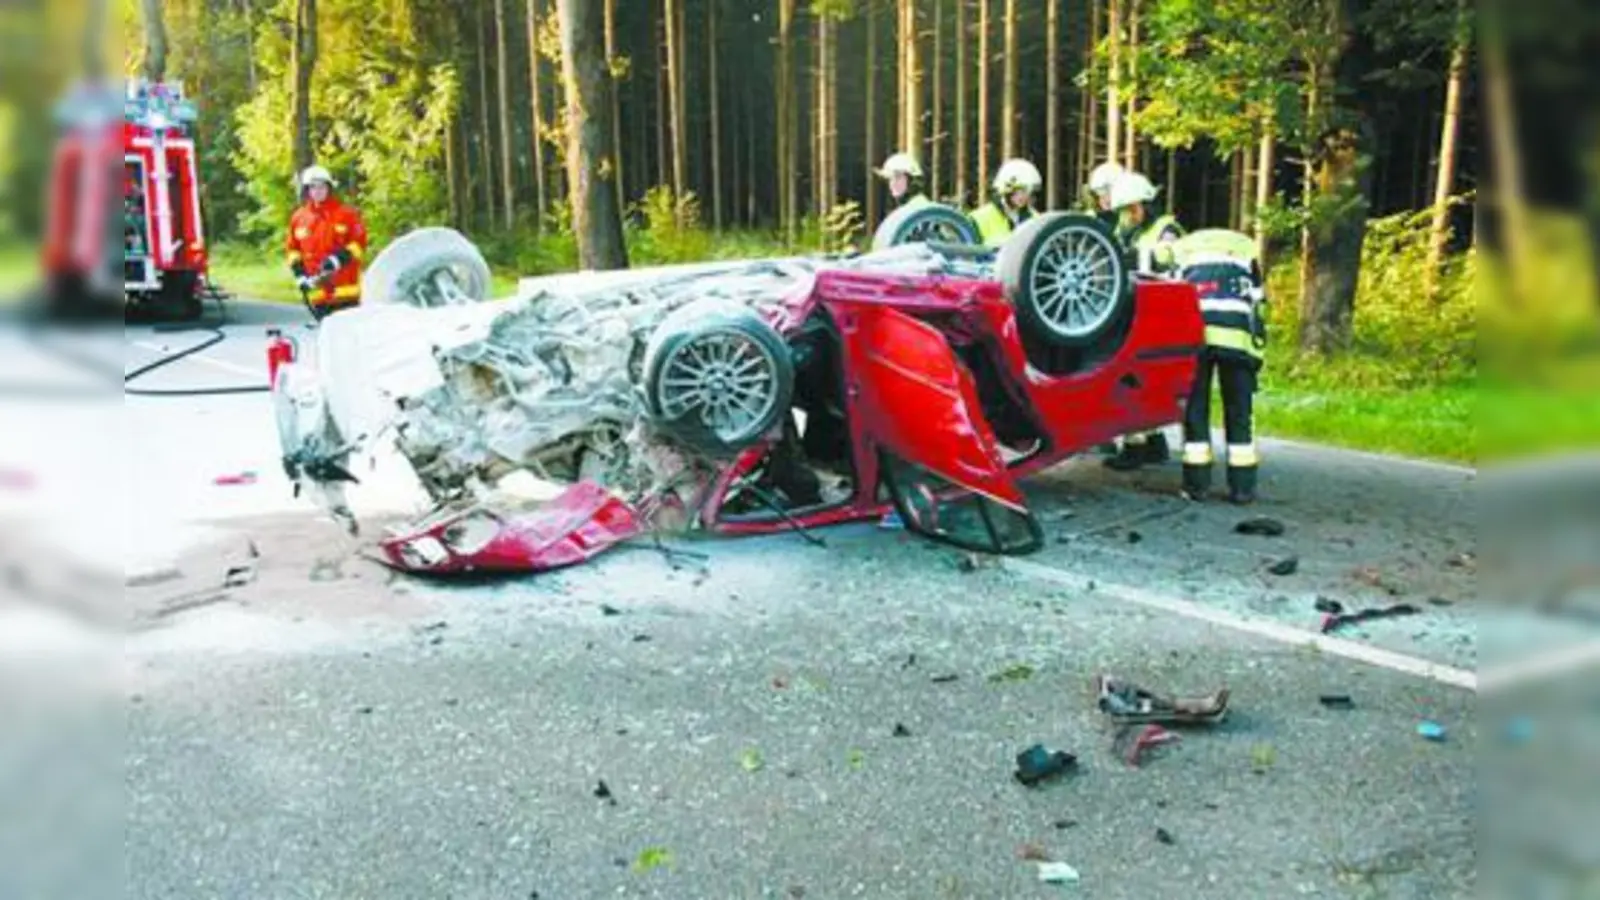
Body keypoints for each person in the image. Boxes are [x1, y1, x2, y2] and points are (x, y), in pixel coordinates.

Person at [1171, 229, 1268, 504]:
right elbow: (1258, 305)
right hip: (1237, 342)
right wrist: (1256, 355)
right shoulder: (1246, 257)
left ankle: (1196, 486)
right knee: (1239, 414)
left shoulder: (1183, 255)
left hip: (1197, 340)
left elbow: (1172, 298)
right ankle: (1242, 489)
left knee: (1195, 412)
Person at [1102, 170, 1186, 471]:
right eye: (1124, 211)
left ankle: (1137, 448)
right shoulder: (1130, 231)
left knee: (1135, 378)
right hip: (1137, 311)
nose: (1127, 216)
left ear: (1144, 205)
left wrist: (1130, 255)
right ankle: (1152, 443)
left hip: (1158, 314)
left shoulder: (1167, 229)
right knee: (1139, 380)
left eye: (1130, 209)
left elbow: (1166, 258)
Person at [285, 165, 369, 319]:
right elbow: (292, 250)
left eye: (322, 186)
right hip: (317, 291)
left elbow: (359, 243)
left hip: (346, 291)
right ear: (307, 190)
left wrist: (337, 259)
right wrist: (299, 274)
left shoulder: (347, 214)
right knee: (326, 337)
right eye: (313, 187)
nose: (318, 191)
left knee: (347, 338)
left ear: (329, 188)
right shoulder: (299, 218)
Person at [969, 158, 1042, 247]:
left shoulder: (1035, 219)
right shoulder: (978, 218)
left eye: (1029, 191)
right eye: (1021, 189)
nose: (1025, 196)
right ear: (1005, 189)